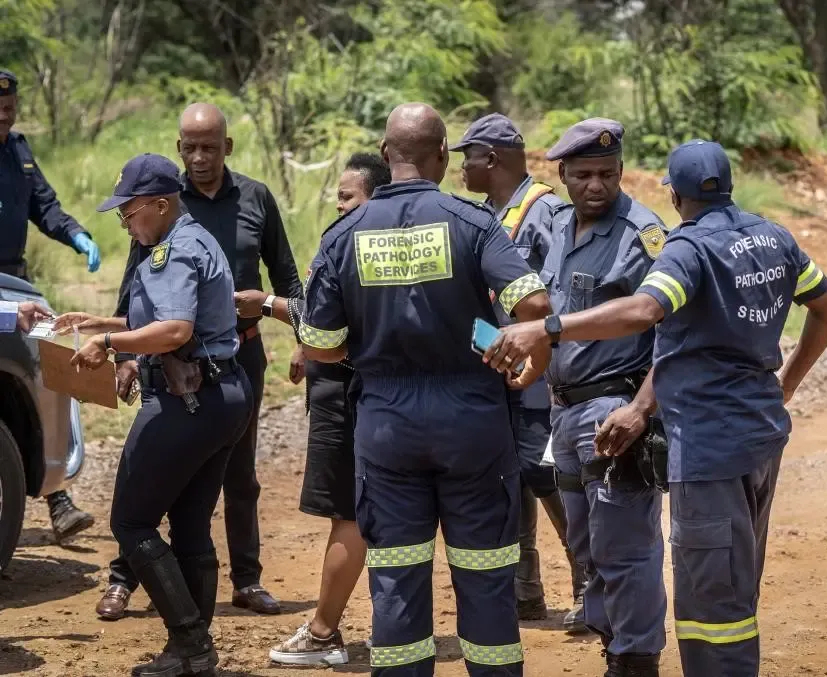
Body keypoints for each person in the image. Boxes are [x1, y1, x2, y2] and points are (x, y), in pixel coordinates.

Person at [483, 140, 827, 677]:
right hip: (762, 431)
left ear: (674, 195)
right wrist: (786, 384)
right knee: (736, 577)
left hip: (708, 444)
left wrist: (549, 327)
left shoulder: (688, 247)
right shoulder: (774, 236)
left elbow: (644, 310)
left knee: (709, 598)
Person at [301, 102, 553, 676]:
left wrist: (367, 347)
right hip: (472, 422)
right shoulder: (473, 222)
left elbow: (319, 344)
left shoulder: (344, 234)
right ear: (442, 153)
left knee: (396, 580)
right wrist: (526, 360)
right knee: (486, 578)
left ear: (385, 154)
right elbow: (535, 306)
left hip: (387, 426)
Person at [96, 103, 300, 621]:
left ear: (227, 147)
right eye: (190, 147)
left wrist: (303, 336)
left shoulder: (252, 198)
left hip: (234, 351)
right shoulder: (162, 205)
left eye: (210, 147)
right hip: (172, 359)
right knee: (165, 484)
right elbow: (136, 287)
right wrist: (124, 349)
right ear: (179, 148)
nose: (200, 156)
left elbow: (285, 274)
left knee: (235, 474)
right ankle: (125, 579)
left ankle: (245, 581)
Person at [53, 153, 254, 676]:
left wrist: (108, 344)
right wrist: (101, 321)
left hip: (188, 399)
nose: (125, 223)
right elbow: (173, 317)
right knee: (189, 525)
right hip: (223, 395)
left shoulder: (173, 250)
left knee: (131, 521)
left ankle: (190, 644)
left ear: (161, 205)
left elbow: (175, 330)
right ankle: (194, 653)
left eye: (129, 212)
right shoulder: (194, 238)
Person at [497, 118, 672, 676]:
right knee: (587, 546)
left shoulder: (644, 236)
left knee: (626, 547)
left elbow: (676, 335)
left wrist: (640, 410)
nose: (596, 185)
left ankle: (635, 659)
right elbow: (552, 312)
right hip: (564, 411)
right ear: (563, 176)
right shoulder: (554, 224)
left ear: (621, 171)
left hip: (614, 410)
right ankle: (613, 644)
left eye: (607, 173)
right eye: (583, 175)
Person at [233, 153, 391, 666]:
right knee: (384, 511)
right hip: (371, 392)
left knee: (350, 512)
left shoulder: (353, 243)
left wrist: (269, 306)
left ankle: (323, 633)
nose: (339, 205)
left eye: (347, 196)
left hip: (347, 393)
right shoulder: (381, 240)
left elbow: (332, 327)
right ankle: (394, 627)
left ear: (374, 196)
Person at [451, 113, 587, 631]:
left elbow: (560, 295)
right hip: (496, 367)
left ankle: (588, 585)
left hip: (539, 371)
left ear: (492, 159)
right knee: (511, 475)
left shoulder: (545, 211)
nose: (461, 168)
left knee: (544, 472)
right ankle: (525, 591)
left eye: (467, 158)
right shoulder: (485, 214)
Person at [0, 68, 99, 544]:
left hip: (14, 283)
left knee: (48, 370)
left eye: (9, 108)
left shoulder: (18, 150)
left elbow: (45, 205)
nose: (4, 116)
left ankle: (58, 498)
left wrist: (77, 235)